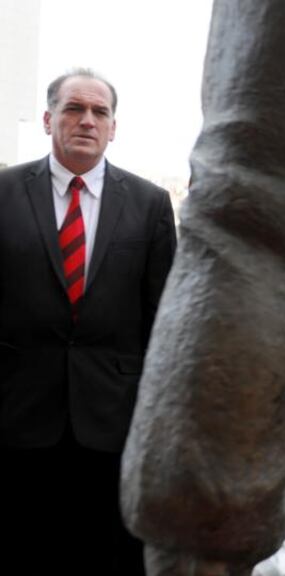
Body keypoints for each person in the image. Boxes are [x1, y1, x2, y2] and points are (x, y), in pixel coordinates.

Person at [0, 69, 177, 574]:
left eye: (100, 112)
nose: (87, 121)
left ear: (114, 127)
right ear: (47, 119)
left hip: (114, 423)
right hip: (18, 417)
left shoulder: (149, 204)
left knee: (107, 557)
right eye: (74, 109)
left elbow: (162, 318)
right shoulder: (5, 192)